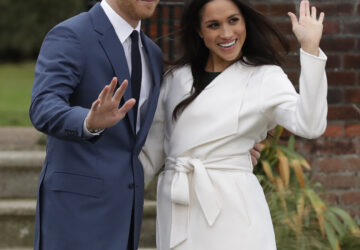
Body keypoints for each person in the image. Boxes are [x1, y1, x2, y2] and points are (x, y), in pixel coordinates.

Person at [140, 0, 327, 249]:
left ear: (244, 21)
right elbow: (148, 157)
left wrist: (310, 48)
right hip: (178, 207)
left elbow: (310, 125)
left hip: (235, 209)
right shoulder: (175, 79)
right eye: (213, 25)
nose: (226, 34)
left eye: (233, 20)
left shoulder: (264, 77)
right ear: (199, 30)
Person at [29, 0, 163, 249]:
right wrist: (88, 122)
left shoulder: (153, 53)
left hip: (125, 216)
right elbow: (43, 106)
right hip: (76, 216)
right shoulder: (71, 34)